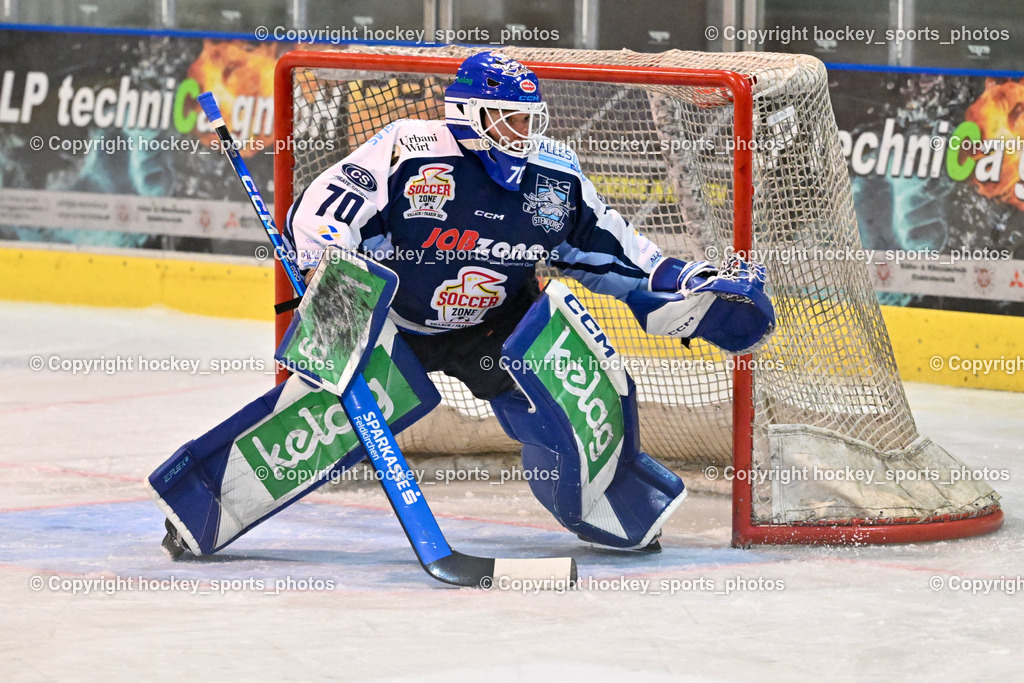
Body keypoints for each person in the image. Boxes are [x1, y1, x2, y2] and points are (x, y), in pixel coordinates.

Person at [285, 51, 774, 551]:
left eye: (530, 120)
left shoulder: (552, 177)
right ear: (469, 114)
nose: (523, 133)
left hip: (496, 327)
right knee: (311, 430)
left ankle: (609, 500)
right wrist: (327, 271)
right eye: (511, 119)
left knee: (567, 398)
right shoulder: (407, 148)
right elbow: (322, 212)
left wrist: (675, 283)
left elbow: (608, 248)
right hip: (391, 324)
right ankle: (209, 496)